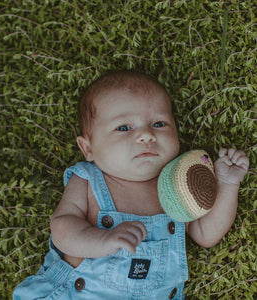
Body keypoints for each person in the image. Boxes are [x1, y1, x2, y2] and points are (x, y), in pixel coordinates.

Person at [13, 70, 249, 300]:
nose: (146, 135)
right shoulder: (88, 180)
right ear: (88, 148)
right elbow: (62, 230)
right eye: (124, 128)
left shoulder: (176, 186)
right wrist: (102, 241)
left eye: (159, 124)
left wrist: (228, 184)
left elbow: (205, 234)